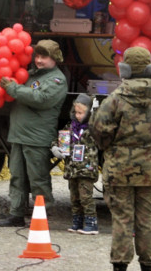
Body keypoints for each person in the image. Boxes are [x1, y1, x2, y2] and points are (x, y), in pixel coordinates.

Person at [90, 47, 151, 271]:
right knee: (148, 223)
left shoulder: (114, 100)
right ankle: (148, 266)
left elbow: (99, 131)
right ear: (150, 69)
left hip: (119, 172)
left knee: (122, 221)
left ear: (125, 70)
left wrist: (111, 148)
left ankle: (120, 267)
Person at [0, 39, 67, 227]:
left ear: (55, 59)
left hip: (37, 138)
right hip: (19, 134)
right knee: (17, 176)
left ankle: (41, 217)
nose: (39, 60)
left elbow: (41, 99)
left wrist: (13, 88)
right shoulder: (31, 75)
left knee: (38, 179)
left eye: (44, 57)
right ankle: (16, 213)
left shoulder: (57, 80)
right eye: (37, 56)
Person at [50, 93, 100, 234]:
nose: (78, 116)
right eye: (76, 112)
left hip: (86, 169)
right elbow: (60, 140)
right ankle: (77, 221)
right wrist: (55, 147)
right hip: (72, 169)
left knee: (86, 197)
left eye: (81, 113)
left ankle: (91, 223)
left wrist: (95, 113)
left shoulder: (92, 128)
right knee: (74, 197)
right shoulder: (70, 126)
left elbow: (101, 128)